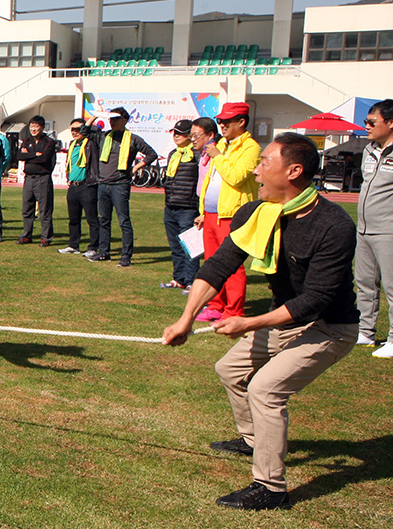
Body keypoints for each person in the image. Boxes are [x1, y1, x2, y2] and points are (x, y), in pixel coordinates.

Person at [163, 132, 359, 511]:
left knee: (266, 389)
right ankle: (254, 439)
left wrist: (248, 323)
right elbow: (219, 265)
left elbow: (315, 300)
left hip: (329, 327)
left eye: (265, 162)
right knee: (230, 369)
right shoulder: (256, 213)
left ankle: (271, 488)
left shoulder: (334, 225)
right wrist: (186, 318)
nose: (255, 170)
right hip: (286, 319)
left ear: (294, 170)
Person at [194, 102, 260, 320]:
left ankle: (233, 310)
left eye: (226, 121)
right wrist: (203, 210)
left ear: (241, 122)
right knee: (212, 262)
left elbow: (236, 177)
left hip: (232, 215)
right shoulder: (222, 144)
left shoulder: (251, 148)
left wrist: (217, 156)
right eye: (220, 121)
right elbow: (209, 180)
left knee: (232, 264)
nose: (221, 125)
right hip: (212, 214)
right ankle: (215, 305)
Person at [89, 107, 157, 266]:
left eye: (115, 119)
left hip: (120, 185)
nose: (111, 122)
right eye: (110, 119)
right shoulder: (105, 136)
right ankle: (104, 252)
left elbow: (151, 154)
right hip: (103, 184)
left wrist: (135, 168)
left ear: (125, 120)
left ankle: (126, 256)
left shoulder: (133, 139)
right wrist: (95, 116)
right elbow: (85, 131)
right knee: (103, 220)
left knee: (123, 221)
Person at [356, 99, 393, 356]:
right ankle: (365, 332)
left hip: (389, 230)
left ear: (390, 123)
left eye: (372, 122)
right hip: (364, 229)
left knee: (392, 287)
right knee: (365, 283)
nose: (366, 126)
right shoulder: (369, 150)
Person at [159, 119, 203, 289]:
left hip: (188, 207)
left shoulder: (197, 155)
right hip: (171, 206)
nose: (176, 136)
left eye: (181, 133)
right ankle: (179, 279)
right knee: (175, 245)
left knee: (190, 246)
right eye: (175, 132)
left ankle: (192, 281)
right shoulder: (173, 154)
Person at [57, 123, 100, 254]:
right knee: (73, 218)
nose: (74, 132)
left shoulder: (91, 143)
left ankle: (93, 247)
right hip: (73, 186)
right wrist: (69, 176)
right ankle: (73, 245)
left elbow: (95, 130)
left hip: (87, 185)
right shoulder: (72, 144)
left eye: (77, 129)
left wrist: (90, 121)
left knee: (91, 218)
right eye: (72, 129)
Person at [17, 115, 57, 245]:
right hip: (29, 178)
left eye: (36, 126)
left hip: (43, 179)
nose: (33, 129)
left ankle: (46, 236)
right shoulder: (26, 140)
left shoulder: (49, 142)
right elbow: (18, 156)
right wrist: (34, 154)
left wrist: (27, 155)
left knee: (45, 209)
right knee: (27, 208)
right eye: (32, 126)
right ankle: (26, 234)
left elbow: (44, 159)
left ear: (42, 127)